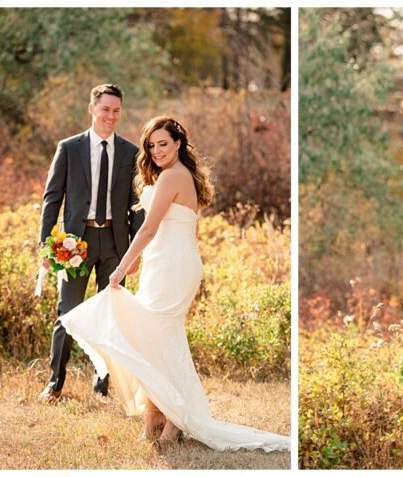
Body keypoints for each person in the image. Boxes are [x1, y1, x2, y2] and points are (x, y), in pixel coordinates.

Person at [58, 116, 289, 451]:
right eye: (151, 146)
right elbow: (172, 230)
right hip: (166, 261)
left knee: (160, 340)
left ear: (179, 143)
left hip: (173, 266)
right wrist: (142, 259)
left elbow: (149, 229)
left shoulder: (173, 177)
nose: (156, 151)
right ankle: (155, 414)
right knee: (151, 340)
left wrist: (122, 266)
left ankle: (174, 421)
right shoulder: (179, 176)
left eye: (163, 143)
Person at [38, 83, 143, 402]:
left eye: (116, 111)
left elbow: (136, 206)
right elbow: (52, 198)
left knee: (110, 316)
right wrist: (46, 245)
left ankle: (103, 383)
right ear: (92, 109)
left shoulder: (130, 152)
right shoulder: (68, 148)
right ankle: (55, 382)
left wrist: (135, 251)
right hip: (73, 244)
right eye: (105, 109)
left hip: (114, 243)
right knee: (67, 314)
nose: (110, 116)